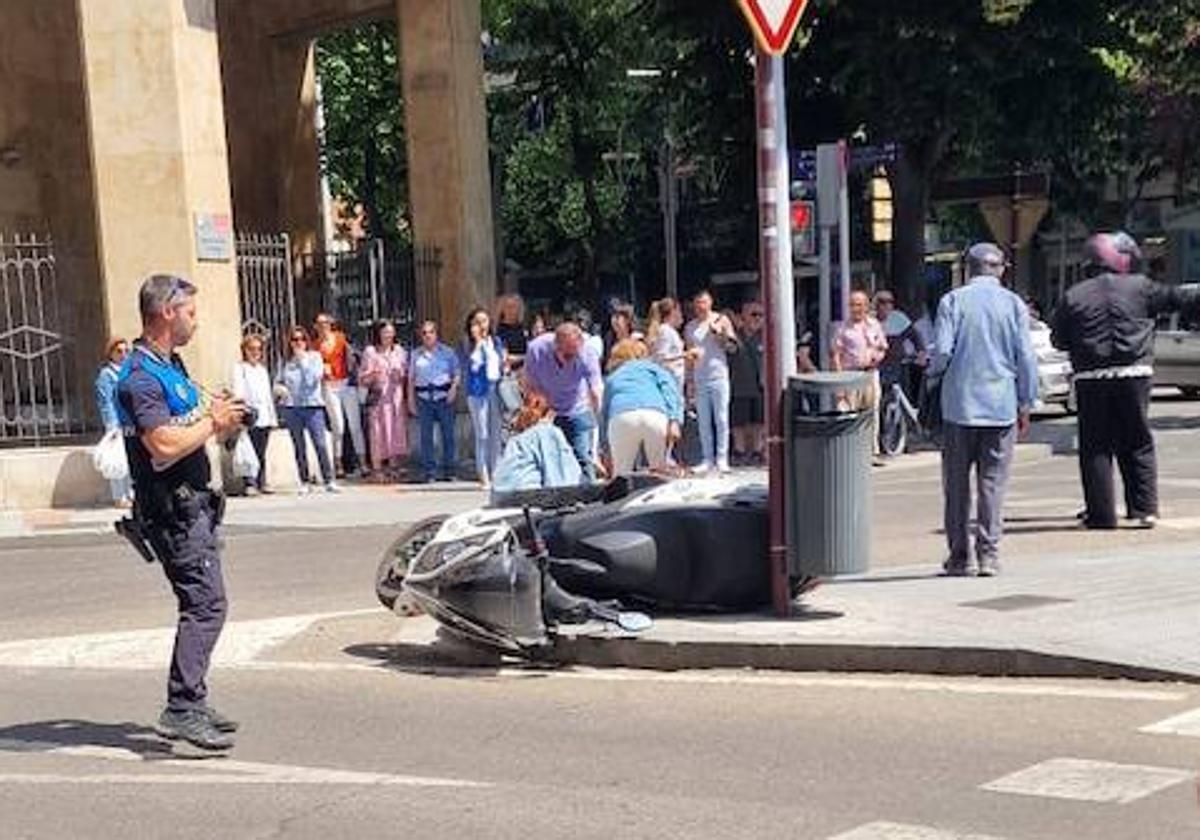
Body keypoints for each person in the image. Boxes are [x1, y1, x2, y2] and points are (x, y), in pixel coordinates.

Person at [115, 273, 245, 751]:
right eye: (190, 311)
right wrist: (213, 422)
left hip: (195, 506)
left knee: (206, 602)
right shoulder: (139, 379)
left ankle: (193, 700)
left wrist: (222, 414)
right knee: (205, 605)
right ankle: (182, 707)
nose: (196, 320)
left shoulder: (171, 367)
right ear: (166, 312)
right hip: (173, 510)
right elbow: (162, 445)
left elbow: (189, 418)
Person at [1051, 232, 1200, 529]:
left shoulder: (1073, 295)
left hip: (1091, 378)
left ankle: (1101, 515)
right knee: (1138, 441)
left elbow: (1059, 339)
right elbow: (1181, 299)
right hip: (1135, 374)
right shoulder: (1141, 287)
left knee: (1095, 446)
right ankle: (1144, 509)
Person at [930, 243, 1038, 576]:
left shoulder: (952, 301)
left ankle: (960, 557)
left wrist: (933, 378)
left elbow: (943, 352)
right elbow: (1026, 357)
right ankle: (989, 554)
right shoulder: (1013, 304)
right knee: (992, 484)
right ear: (1000, 269)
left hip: (958, 407)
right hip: (1001, 406)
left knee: (957, 486)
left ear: (967, 268)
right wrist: (1026, 401)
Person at [522, 321, 604, 481]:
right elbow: (529, 384)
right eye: (567, 356)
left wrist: (597, 416)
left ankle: (589, 496)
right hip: (548, 410)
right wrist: (540, 412)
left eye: (575, 355)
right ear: (555, 347)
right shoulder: (536, 349)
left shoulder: (587, 352)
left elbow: (596, 388)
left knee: (583, 457)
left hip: (577, 407)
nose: (571, 361)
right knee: (551, 460)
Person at [601, 339, 683, 476]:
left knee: (621, 475)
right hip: (654, 414)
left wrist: (605, 448)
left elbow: (604, 412)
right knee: (659, 472)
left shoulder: (613, 377)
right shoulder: (655, 369)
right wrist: (674, 420)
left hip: (621, 416)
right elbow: (671, 392)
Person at [276, 326, 339, 494]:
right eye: (294, 340)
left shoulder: (315, 357)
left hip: (312, 406)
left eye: (301, 339)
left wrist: (302, 361)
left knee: (320, 443)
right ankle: (304, 480)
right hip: (292, 407)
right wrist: (279, 388)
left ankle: (329, 479)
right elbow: (278, 381)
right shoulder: (285, 361)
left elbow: (313, 380)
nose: (298, 343)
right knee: (299, 446)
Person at [684, 289, 739, 475]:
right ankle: (707, 458)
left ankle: (722, 458)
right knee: (704, 421)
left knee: (722, 418)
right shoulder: (690, 327)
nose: (701, 306)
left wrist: (719, 335)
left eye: (704, 302)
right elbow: (689, 355)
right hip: (700, 377)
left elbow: (732, 348)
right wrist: (689, 380)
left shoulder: (721, 320)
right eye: (698, 302)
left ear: (710, 303)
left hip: (719, 375)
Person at [492, 391, 582, 494]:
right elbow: (561, 479)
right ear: (550, 412)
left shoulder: (516, 439)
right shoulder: (548, 432)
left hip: (500, 495)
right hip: (526, 496)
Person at [833, 290, 889, 456]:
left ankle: (872, 451)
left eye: (858, 304)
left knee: (872, 411)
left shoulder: (874, 325)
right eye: (852, 305)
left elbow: (883, 347)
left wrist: (877, 357)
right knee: (852, 412)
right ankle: (852, 451)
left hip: (871, 373)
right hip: (851, 375)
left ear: (866, 306)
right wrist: (840, 382)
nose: (855, 308)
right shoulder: (843, 328)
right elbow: (836, 354)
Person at [407, 320, 460, 482]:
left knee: (448, 435)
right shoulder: (415, 354)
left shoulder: (448, 352)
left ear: (436, 334)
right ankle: (429, 471)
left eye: (431, 332)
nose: (427, 336)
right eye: (424, 333)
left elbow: (457, 374)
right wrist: (410, 400)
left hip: (444, 396)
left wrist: (453, 389)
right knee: (426, 437)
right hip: (423, 398)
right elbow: (411, 379)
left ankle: (449, 470)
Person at [314, 313, 367, 477]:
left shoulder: (341, 338)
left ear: (331, 324)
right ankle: (338, 464)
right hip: (329, 385)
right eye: (320, 324)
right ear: (316, 327)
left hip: (347, 383)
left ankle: (363, 463)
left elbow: (355, 356)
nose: (323, 326)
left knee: (355, 425)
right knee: (338, 426)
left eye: (326, 323)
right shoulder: (315, 345)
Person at [358, 320, 408, 482]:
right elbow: (362, 378)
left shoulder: (399, 351)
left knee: (394, 430)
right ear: (378, 334)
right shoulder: (370, 352)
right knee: (377, 432)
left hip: (395, 397)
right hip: (378, 397)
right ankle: (377, 468)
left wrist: (399, 374)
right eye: (385, 332)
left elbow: (406, 372)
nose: (389, 335)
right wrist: (372, 375)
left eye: (391, 332)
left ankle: (393, 466)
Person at [462, 307, 505, 487]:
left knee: (496, 433)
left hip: (495, 387)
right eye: (477, 322)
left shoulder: (495, 341)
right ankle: (484, 474)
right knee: (483, 434)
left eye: (485, 321)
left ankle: (497, 472)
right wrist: (478, 343)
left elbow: (500, 361)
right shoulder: (467, 344)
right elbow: (471, 366)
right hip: (478, 391)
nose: (482, 325)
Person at [231, 335, 278, 495]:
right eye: (252, 349)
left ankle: (262, 481)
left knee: (261, 450)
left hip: (264, 414)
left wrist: (273, 417)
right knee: (249, 448)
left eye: (258, 349)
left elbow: (267, 396)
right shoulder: (240, 368)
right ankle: (249, 483)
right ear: (245, 350)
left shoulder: (262, 370)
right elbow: (238, 391)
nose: (255, 352)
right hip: (250, 413)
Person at [94, 337, 133, 507]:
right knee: (117, 460)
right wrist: (112, 426)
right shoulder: (106, 375)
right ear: (111, 354)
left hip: (131, 421)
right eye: (119, 351)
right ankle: (119, 496)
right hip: (117, 423)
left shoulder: (128, 371)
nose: (123, 354)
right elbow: (106, 401)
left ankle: (130, 493)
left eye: (126, 351)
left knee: (130, 458)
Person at [729, 299, 765, 465]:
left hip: (761, 386)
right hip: (739, 386)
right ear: (743, 316)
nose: (758, 318)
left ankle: (758, 451)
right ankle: (739, 451)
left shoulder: (767, 337)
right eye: (753, 314)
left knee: (759, 421)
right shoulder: (734, 336)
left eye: (761, 315)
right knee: (738, 423)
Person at [875, 289, 927, 400]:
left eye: (890, 302)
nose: (886, 305)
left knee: (900, 399)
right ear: (876, 304)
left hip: (898, 366)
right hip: (877, 366)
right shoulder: (870, 321)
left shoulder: (899, 318)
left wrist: (921, 353)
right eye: (882, 302)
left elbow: (916, 337)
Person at [494, 293, 528, 370]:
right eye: (508, 307)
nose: (510, 310)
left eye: (513, 307)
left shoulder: (524, 329)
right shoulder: (498, 330)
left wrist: (521, 358)